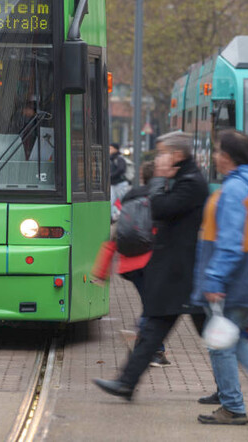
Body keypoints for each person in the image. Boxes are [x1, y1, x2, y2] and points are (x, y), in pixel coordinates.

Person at [93, 132, 208, 400]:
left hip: (183, 273)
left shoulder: (190, 182)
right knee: (153, 329)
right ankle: (126, 383)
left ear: (177, 155)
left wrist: (157, 178)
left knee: (212, 336)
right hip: (174, 272)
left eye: (162, 153)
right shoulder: (183, 179)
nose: (159, 159)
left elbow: (159, 208)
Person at [190, 129, 248, 425]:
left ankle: (232, 406)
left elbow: (230, 242)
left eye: (218, 151)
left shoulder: (232, 191)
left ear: (226, 157)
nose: (215, 156)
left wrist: (215, 280)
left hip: (233, 279)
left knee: (219, 343)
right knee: (230, 338)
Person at [91, 162, 171, 367]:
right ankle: (143, 341)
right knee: (154, 307)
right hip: (150, 262)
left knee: (153, 305)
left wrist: (101, 271)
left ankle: (157, 351)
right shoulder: (160, 200)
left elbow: (116, 236)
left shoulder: (129, 197)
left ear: (142, 177)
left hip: (128, 265)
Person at [109, 143, 130, 220]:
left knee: (124, 200)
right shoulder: (110, 158)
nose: (109, 150)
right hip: (112, 184)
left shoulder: (119, 158)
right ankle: (110, 218)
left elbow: (121, 169)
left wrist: (111, 176)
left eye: (111, 148)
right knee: (110, 201)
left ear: (116, 149)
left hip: (120, 183)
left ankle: (128, 217)